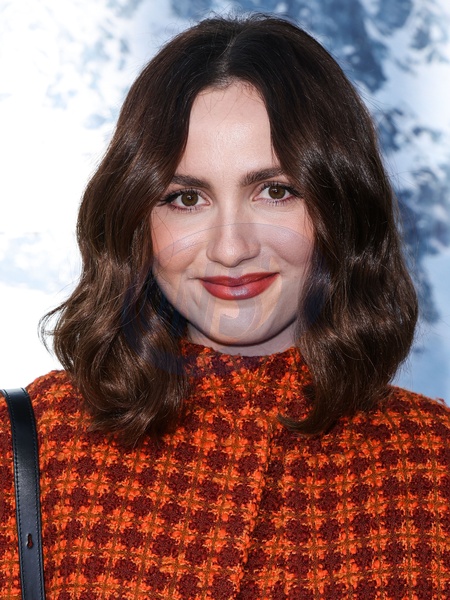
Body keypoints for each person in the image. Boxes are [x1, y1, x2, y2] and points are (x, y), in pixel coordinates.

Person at [1, 13, 449, 599]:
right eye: (187, 198)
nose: (231, 248)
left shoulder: (432, 463)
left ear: (341, 208)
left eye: (276, 191)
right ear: (136, 219)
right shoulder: (28, 450)